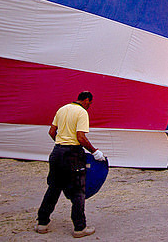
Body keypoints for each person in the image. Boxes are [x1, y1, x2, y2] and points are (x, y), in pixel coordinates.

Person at [36, 91, 106, 238]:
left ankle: (42, 223)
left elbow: (51, 131)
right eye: (90, 103)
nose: (89, 106)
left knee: (54, 188)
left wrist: (61, 143)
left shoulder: (62, 109)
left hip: (56, 153)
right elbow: (81, 137)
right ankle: (79, 228)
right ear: (87, 100)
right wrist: (95, 152)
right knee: (78, 191)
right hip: (72, 155)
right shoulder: (82, 113)